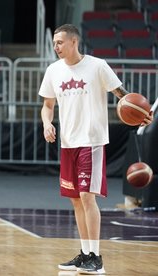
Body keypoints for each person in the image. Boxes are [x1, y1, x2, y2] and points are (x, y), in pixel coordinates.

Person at [39, 24, 153, 274]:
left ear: (73, 42)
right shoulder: (53, 70)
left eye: (60, 42)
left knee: (87, 198)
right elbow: (47, 104)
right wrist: (47, 123)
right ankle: (85, 253)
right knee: (75, 200)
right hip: (68, 142)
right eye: (54, 43)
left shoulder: (97, 65)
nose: (56, 47)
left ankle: (97, 258)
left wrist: (141, 113)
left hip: (91, 141)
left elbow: (122, 95)